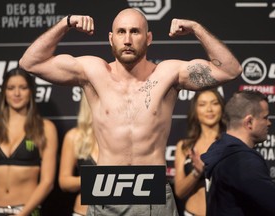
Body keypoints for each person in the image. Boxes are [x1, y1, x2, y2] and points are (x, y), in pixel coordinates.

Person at [19, 8, 242, 216]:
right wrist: (65, 24)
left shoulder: (167, 74)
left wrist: (196, 28)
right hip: (105, 190)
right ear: (111, 38)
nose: (127, 39)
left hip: (152, 192)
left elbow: (230, 70)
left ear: (148, 38)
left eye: (135, 32)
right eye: (121, 32)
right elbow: (30, 63)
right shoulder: (93, 72)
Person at [0, 68, 58, 216]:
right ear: (4, 92)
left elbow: (47, 182)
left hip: (27, 211)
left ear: (31, 91)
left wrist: (22, 214)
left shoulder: (45, 128)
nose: (17, 93)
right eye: (11, 88)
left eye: (23, 88)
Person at [201, 90, 275, 216]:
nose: (269, 123)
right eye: (265, 117)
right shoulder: (243, 161)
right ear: (249, 122)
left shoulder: (220, 150)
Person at [174, 88, 225, 216]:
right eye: (202, 104)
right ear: (195, 110)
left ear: (222, 108)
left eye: (214, 103)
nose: (209, 109)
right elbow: (179, 192)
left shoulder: (231, 144)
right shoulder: (184, 147)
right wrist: (197, 172)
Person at [59, 90, 98, 216]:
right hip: (83, 211)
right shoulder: (74, 137)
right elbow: (64, 181)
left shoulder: (123, 137)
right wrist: (96, 180)